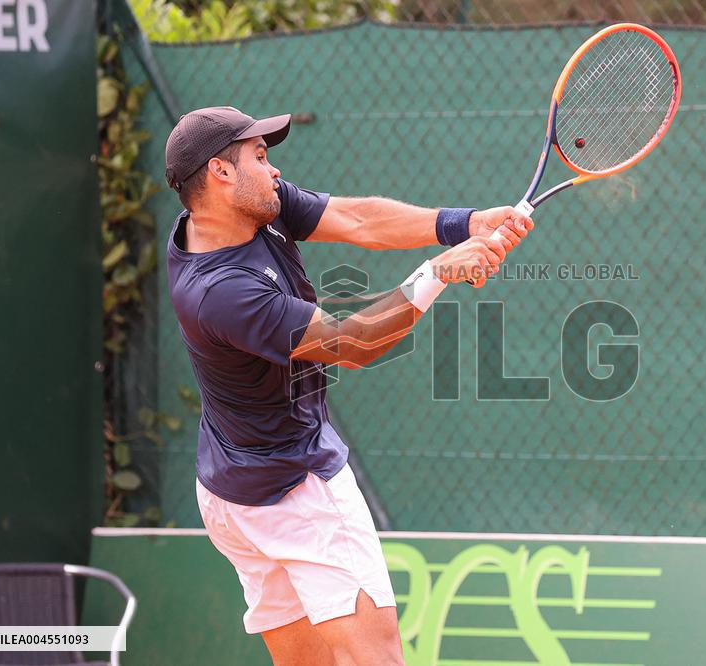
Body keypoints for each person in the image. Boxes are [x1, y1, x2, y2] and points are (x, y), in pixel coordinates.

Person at [163, 106, 533, 665]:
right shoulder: (220, 292)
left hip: (228, 487)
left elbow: (358, 220)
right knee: (376, 657)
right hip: (294, 484)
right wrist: (438, 272)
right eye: (260, 158)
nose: (276, 171)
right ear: (219, 172)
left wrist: (467, 223)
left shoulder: (250, 208)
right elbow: (353, 343)